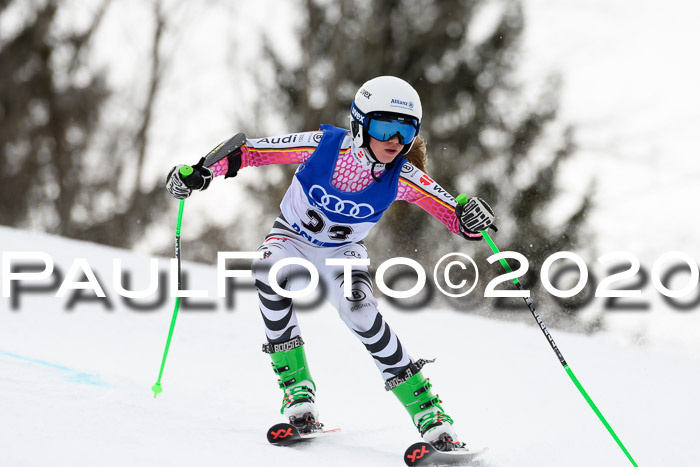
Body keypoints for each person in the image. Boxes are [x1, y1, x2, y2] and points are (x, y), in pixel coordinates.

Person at [165, 76, 495, 451]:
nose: (395, 141)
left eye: (406, 130)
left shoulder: (402, 175)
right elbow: (250, 151)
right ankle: (298, 395)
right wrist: (201, 172)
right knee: (266, 269)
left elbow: (454, 215)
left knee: (360, 312)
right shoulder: (325, 146)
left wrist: (471, 219)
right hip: (292, 238)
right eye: (385, 126)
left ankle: (431, 417)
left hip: (342, 253)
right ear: (359, 123)